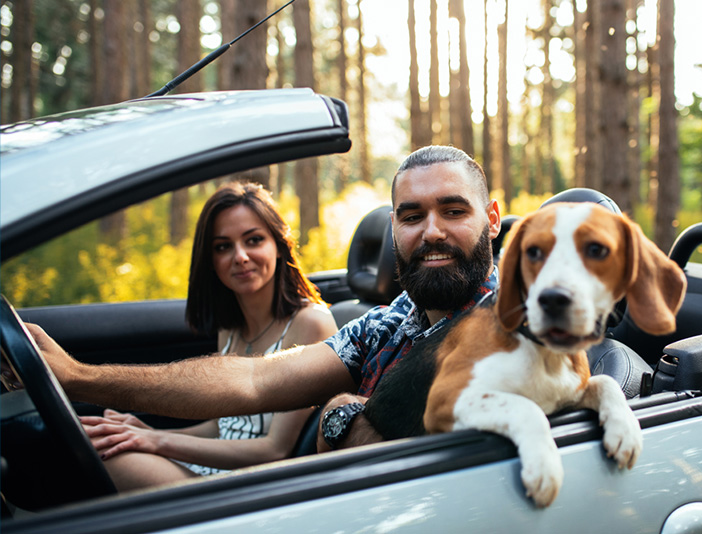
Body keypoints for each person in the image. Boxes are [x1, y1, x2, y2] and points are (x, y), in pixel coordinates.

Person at [23, 145, 501, 461]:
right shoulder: (393, 320)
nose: (432, 231)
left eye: (453, 210)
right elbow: (255, 379)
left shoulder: (515, 323)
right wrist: (78, 376)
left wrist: (342, 414)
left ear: (492, 218)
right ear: (394, 227)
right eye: (412, 215)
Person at [77, 182, 338, 491]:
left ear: (279, 246)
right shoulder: (230, 327)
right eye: (223, 246)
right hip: (214, 465)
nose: (239, 256)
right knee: (106, 443)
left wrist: (157, 440)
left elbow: (274, 450)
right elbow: (220, 424)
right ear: (211, 260)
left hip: (257, 484)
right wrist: (146, 431)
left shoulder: (311, 324)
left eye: (253, 240)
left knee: (114, 456)